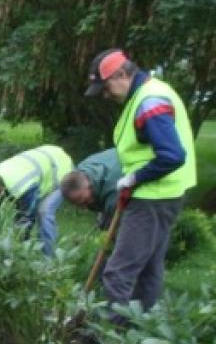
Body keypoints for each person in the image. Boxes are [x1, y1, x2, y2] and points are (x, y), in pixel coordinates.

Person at [84, 48, 197, 311]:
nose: (106, 95)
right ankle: (142, 327)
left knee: (118, 273)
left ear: (121, 75)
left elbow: (172, 156)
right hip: (161, 195)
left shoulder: (150, 101)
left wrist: (136, 177)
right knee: (149, 269)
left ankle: (110, 333)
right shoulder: (146, 94)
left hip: (152, 197)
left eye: (106, 88)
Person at [0, 145, 73, 256]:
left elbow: (27, 217)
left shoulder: (23, 187)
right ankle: (25, 252)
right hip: (45, 157)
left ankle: (48, 258)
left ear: (1, 190)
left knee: (44, 212)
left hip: (61, 169)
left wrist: (19, 244)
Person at [60, 148, 122, 229]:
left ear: (88, 185)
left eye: (84, 201)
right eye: (79, 205)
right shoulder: (83, 169)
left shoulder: (113, 196)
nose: (84, 208)